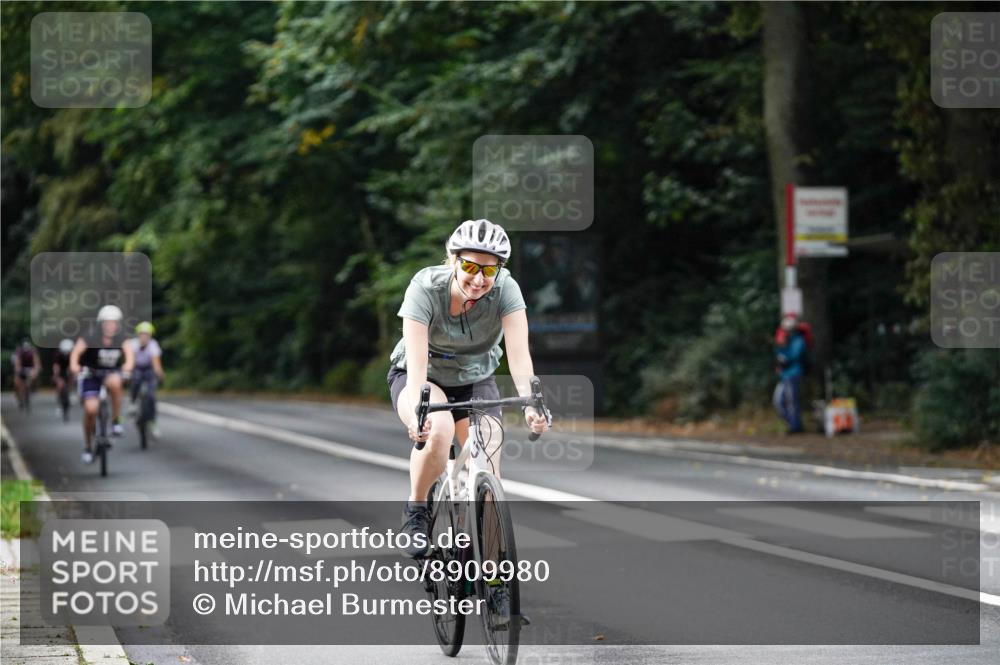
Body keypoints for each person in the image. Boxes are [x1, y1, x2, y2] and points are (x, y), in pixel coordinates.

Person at [388, 219, 549, 558]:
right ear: (453, 260)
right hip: (423, 377)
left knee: (489, 466)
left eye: (488, 271)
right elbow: (416, 364)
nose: (478, 279)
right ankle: (415, 512)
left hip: (476, 379)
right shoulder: (425, 287)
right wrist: (420, 411)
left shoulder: (506, 290)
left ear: (499, 270)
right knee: (439, 431)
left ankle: (496, 586)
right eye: (470, 266)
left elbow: (519, 357)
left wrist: (532, 403)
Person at [69, 305, 135, 464]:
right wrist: (75, 366)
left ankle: (116, 421)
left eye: (113, 323)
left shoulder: (121, 337)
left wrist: (128, 365)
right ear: (101, 323)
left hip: (110, 374)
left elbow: (130, 355)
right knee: (91, 410)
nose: (110, 326)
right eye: (107, 322)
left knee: (116, 382)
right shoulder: (91, 336)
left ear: (118, 324)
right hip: (90, 375)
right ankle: (87, 445)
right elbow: (76, 353)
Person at [126, 321, 164, 438]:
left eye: (147, 334)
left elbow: (156, 362)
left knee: (151, 396)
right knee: (136, 380)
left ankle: (152, 422)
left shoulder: (153, 345)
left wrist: (159, 373)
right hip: (136, 368)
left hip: (149, 369)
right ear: (138, 334)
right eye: (142, 334)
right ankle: (132, 402)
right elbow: (130, 360)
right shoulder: (132, 344)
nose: (144, 337)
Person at [773, 313, 807, 434]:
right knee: (778, 400)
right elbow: (779, 354)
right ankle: (792, 423)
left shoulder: (799, 340)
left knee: (792, 401)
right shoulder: (785, 340)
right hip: (784, 375)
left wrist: (785, 360)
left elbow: (795, 355)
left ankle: (795, 426)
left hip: (793, 373)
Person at [13, 339, 40, 410]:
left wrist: (35, 370)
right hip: (21, 369)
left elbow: (36, 363)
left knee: (31, 380)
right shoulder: (19, 352)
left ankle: (31, 389)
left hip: (30, 369)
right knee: (17, 383)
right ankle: (19, 397)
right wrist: (18, 370)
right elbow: (17, 364)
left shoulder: (32, 352)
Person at [52, 338, 75, 417]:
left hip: (69, 369)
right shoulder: (58, 354)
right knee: (60, 385)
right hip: (61, 371)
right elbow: (56, 366)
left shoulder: (73, 353)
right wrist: (56, 376)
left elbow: (75, 364)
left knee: (72, 377)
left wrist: (73, 372)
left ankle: (70, 392)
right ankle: (59, 404)